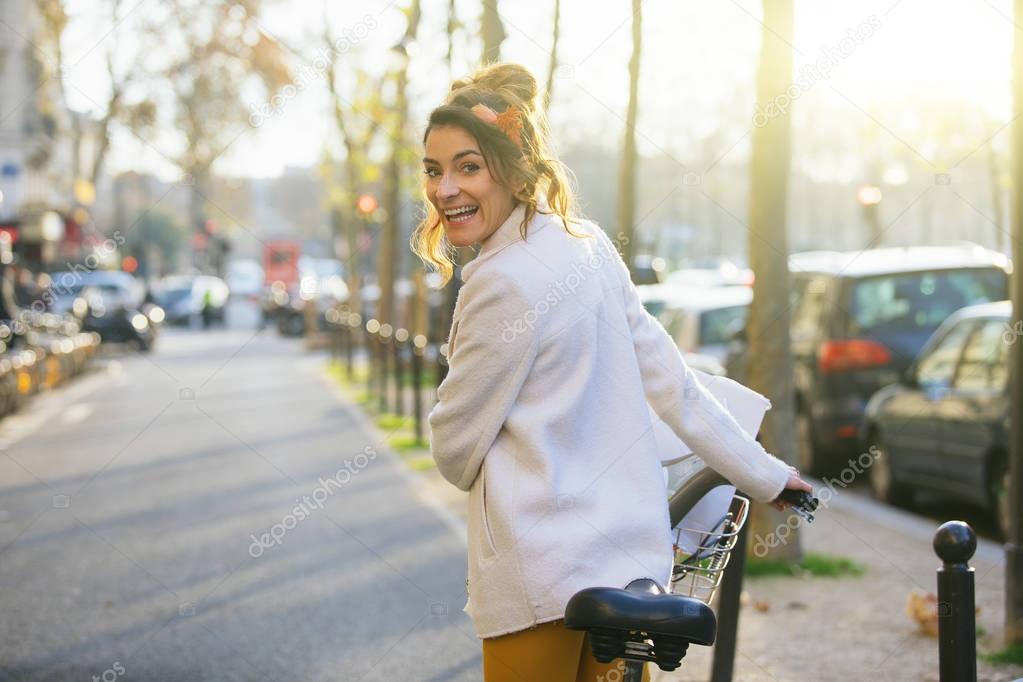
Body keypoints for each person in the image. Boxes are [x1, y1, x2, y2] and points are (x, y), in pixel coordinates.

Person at [412, 62, 812, 682]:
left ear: (515, 168)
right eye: (435, 170)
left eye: (469, 166)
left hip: (538, 572)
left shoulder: (496, 280)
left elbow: (454, 451)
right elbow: (674, 384)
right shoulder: (589, 245)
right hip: (625, 565)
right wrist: (766, 476)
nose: (445, 190)